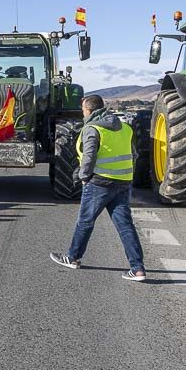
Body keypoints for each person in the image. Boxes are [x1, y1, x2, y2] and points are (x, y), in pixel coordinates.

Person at [50, 95, 146, 282]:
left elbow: (89, 157)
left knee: (85, 221)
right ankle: (138, 268)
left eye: (83, 110)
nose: (83, 113)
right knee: (125, 226)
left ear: (89, 110)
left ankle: (72, 257)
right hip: (123, 182)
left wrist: (84, 177)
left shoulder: (92, 129)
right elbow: (134, 154)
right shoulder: (125, 128)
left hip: (99, 183)